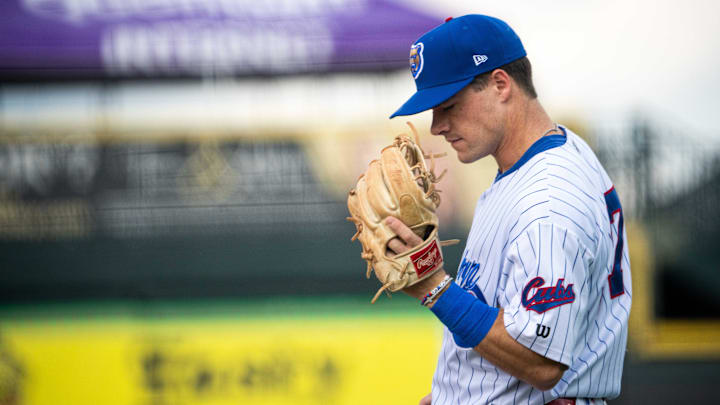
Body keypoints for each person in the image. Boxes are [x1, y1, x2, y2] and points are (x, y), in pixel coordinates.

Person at [386, 14, 632, 405]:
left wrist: (433, 288)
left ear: (501, 84)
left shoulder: (548, 201)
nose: (436, 126)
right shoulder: (543, 157)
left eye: (448, 106)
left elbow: (540, 362)